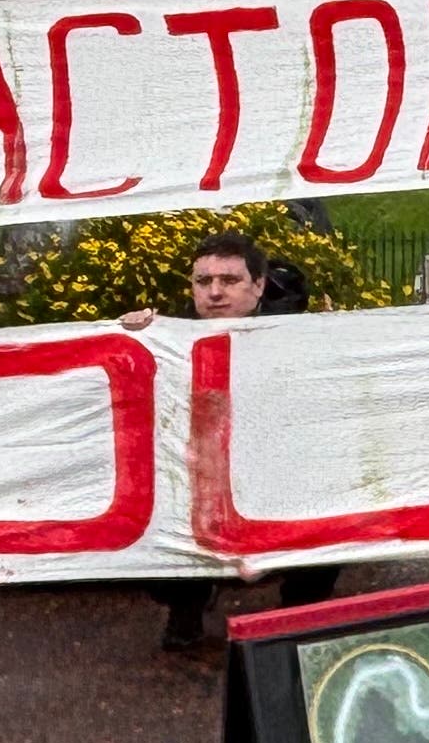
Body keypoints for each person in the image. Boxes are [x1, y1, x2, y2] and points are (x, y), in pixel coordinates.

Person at [122, 233, 342, 647]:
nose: (215, 292)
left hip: (282, 474)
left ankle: (300, 612)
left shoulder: (301, 334)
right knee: (158, 511)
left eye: (229, 280)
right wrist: (135, 336)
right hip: (201, 474)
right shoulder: (170, 337)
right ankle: (185, 605)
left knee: (332, 507)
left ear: (259, 286)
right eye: (203, 282)